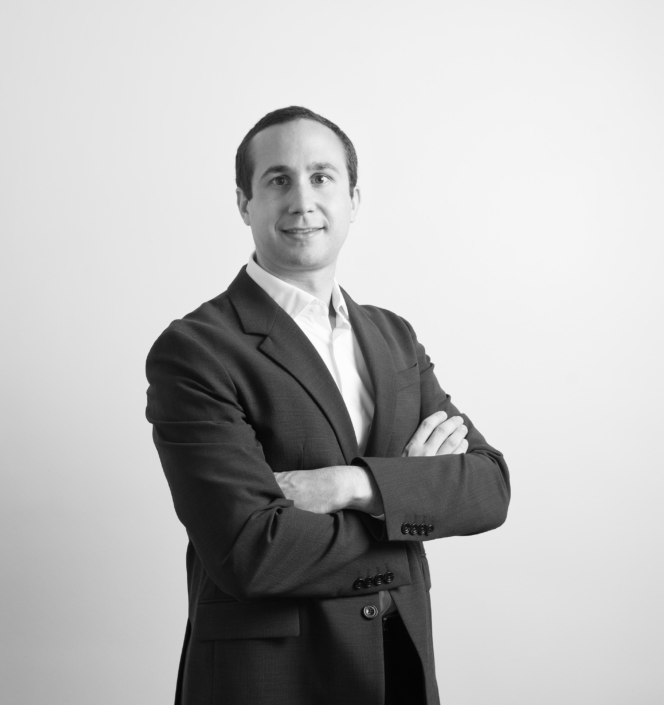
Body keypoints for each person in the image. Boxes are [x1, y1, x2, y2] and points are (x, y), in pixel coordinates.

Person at [145, 106, 510, 705]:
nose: (302, 201)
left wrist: (352, 486)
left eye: (321, 177)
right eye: (278, 180)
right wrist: (408, 502)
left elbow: (489, 487)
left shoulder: (393, 338)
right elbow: (251, 552)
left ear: (353, 199)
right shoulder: (196, 350)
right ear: (244, 203)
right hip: (273, 678)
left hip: (399, 662)